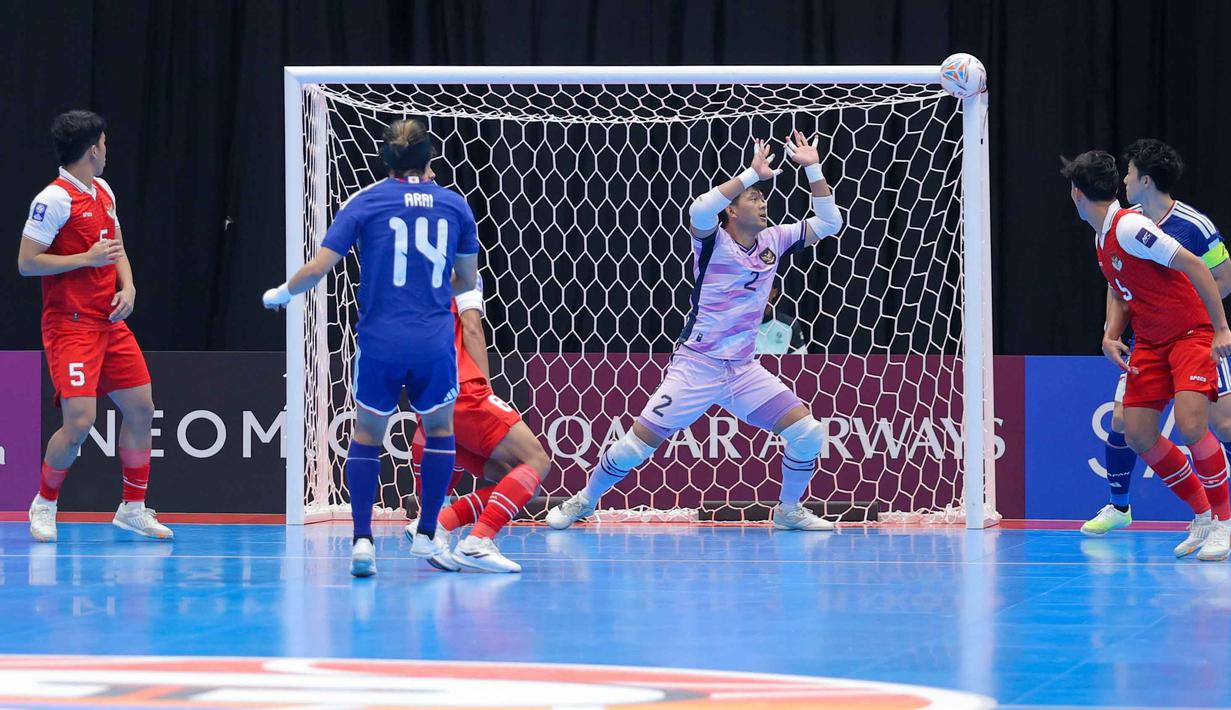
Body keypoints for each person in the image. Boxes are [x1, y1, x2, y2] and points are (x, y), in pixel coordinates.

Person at [547, 132, 843, 531]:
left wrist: (812, 166)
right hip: (697, 367)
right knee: (636, 447)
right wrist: (750, 174)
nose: (762, 202)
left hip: (742, 370)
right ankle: (584, 501)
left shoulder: (775, 239)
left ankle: (788, 511)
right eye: (753, 198)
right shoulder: (713, 242)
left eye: (762, 197)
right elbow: (700, 208)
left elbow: (830, 222)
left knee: (807, 433)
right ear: (732, 212)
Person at [264, 118, 479, 577]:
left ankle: (362, 541)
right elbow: (468, 281)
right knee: (440, 430)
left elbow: (321, 266)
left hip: (382, 339)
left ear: (384, 159)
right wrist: (432, 288)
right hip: (433, 338)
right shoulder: (455, 205)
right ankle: (425, 532)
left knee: (367, 434)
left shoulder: (366, 201)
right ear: (430, 157)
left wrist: (281, 293)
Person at [1063, 150, 1231, 560]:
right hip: (1152, 341)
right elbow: (1123, 289)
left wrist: (1221, 327)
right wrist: (1110, 333)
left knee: (1194, 425)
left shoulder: (1131, 227)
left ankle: (1225, 524)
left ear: (1076, 194)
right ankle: (1203, 516)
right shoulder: (1100, 234)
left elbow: (1193, 264)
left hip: (1191, 332)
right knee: (1137, 432)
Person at [18, 110, 171, 543]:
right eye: (104, 144)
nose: (107, 151)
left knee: (142, 408)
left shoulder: (103, 191)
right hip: (71, 326)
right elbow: (27, 263)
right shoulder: (54, 200)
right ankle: (44, 503)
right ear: (92, 149)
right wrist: (85, 259)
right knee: (81, 423)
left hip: (110, 322)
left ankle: (132, 508)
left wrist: (129, 286)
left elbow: (115, 246)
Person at [406, 274, 551, 573]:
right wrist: (483, 390)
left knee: (516, 480)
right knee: (537, 461)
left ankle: (434, 525)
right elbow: (472, 327)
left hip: (427, 398)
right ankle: (478, 541)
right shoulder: (463, 271)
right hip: (462, 388)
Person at [756, 283, 807, 355]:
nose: (759, 293)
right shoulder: (737, 326)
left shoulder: (789, 325)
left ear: (774, 292)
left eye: (764, 288)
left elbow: (800, 362)